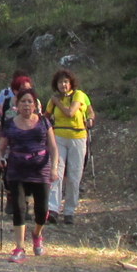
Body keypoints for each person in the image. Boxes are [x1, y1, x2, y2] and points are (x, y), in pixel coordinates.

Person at [0, 88, 59, 263]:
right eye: (23, 101)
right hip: (17, 169)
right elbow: (1, 148)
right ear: (17, 104)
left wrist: (54, 168)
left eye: (30, 101)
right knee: (19, 208)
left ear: (36, 104)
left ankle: (37, 234)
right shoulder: (9, 124)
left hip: (41, 169)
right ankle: (19, 247)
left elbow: (53, 147)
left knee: (42, 210)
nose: (26, 105)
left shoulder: (44, 122)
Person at [45, 69, 96, 224]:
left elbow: (72, 112)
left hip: (78, 137)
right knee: (56, 173)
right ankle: (53, 209)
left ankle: (69, 211)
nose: (63, 85)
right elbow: (46, 116)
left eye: (66, 82)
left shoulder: (79, 95)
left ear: (71, 83)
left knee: (74, 175)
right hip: (59, 136)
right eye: (60, 82)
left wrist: (90, 119)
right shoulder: (53, 100)